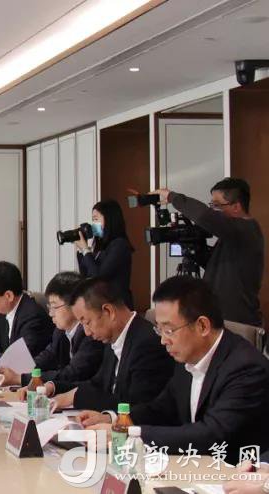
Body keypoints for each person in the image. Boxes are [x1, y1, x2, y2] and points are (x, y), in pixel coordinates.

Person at [78, 276, 269, 465]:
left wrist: (130, 434)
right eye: (159, 330)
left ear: (202, 326)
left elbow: (211, 434)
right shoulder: (187, 356)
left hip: (233, 473)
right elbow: (161, 408)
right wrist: (115, 420)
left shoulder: (246, 368)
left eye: (169, 330)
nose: (163, 340)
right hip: (191, 465)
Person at [42, 278, 174, 411]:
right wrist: (55, 387)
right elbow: (98, 383)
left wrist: (75, 398)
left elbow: (134, 404)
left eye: (87, 322)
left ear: (108, 311)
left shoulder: (147, 344)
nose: (87, 332)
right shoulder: (114, 337)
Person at [152, 178, 264, 326]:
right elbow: (220, 267)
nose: (213, 210)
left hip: (237, 322)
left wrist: (172, 197)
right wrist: (195, 251)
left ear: (236, 207)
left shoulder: (245, 230)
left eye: (216, 205)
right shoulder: (235, 233)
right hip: (224, 317)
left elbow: (204, 216)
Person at [5, 272, 104, 388]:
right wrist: (19, 370)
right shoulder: (60, 331)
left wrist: (21, 378)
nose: (50, 313)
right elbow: (48, 356)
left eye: (54, 306)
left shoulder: (90, 333)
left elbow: (72, 374)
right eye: (49, 307)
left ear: (74, 304)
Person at [73, 199, 134, 308]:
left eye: (96, 219)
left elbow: (99, 277)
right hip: (101, 304)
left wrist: (86, 250)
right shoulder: (100, 247)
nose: (93, 224)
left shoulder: (119, 245)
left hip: (117, 305)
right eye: (92, 220)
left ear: (110, 219)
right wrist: (81, 250)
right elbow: (86, 276)